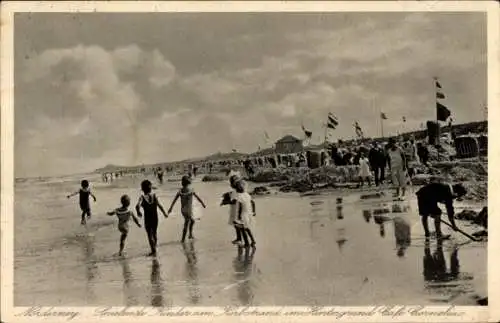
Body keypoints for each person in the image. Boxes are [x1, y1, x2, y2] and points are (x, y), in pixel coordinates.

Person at [167, 175, 207, 243]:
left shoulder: (180, 191)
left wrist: (170, 208)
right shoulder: (191, 190)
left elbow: (174, 200)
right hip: (188, 210)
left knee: (192, 221)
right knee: (187, 223)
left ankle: (190, 235)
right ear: (188, 182)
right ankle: (182, 239)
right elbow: (198, 198)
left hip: (183, 210)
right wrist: (203, 204)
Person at [136, 180, 168, 256]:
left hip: (147, 219)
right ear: (151, 188)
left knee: (149, 235)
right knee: (154, 233)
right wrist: (164, 213)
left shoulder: (142, 197)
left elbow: (137, 206)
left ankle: (153, 250)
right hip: (155, 217)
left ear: (142, 189)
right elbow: (160, 205)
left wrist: (138, 212)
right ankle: (155, 247)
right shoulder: (154, 195)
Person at [220, 174, 243, 245]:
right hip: (238, 209)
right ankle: (239, 238)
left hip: (235, 210)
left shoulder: (235, 192)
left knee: (237, 225)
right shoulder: (238, 191)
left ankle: (240, 239)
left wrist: (225, 202)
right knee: (237, 225)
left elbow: (234, 201)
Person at [233, 179, 256, 248]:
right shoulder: (247, 195)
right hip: (249, 213)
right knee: (247, 228)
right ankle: (253, 240)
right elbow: (253, 203)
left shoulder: (239, 197)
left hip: (243, 214)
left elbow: (240, 207)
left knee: (242, 230)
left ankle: (246, 243)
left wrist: (238, 216)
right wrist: (254, 211)